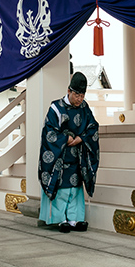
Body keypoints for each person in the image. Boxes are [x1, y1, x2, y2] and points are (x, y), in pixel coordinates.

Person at [38, 71, 100, 233]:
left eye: (82, 95)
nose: (80, 99)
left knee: (75, 189)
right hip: (61, 158)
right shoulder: (56, 108)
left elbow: (93, 127)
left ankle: (75, 219)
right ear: (69, 91)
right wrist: (65, 139)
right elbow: (49, 133)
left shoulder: (85, 108)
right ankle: (60, 219)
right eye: (77, 95)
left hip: (78, 157)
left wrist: (80, 139)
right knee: (62, 189)